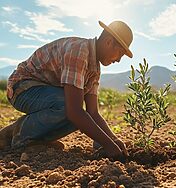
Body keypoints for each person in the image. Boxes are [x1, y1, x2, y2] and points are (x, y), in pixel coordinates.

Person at [0, 20, 133, 158]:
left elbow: (92, 112)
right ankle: (16, 135)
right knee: (71, 107)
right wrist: (108, 145)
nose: (118, 60)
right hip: (22, 88)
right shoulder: (79, 50)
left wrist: (113, 139)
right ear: (109, 42)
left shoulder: (94, 70)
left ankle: (35, 141)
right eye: (120, 53)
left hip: (45, 93)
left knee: (81, 117)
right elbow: (74, 111)